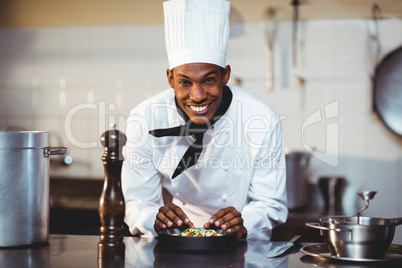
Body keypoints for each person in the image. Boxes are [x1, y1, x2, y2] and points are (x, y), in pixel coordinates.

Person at [121, 0, 288, 241]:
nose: (198, 96)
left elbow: (270, 203)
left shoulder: (261, 118)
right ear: (170, 79)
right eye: (185, 82)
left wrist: (244, 224)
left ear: (225, 75)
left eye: (209, 80)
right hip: (174, 243)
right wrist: (155, 219)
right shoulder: (144, 118)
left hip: (241, 246)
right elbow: (138, 203)